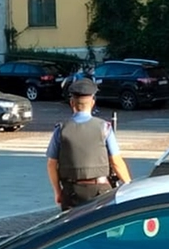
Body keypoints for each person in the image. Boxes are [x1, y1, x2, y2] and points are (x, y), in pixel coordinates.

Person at [47, 78, 131, 210]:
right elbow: (116, 162)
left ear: (71, 103)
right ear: (92, 103)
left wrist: (58, 191)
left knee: (72, 229)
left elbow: (51, 164)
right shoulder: (104, 128)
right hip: (100, 190)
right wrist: (128, 185)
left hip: (71, 191)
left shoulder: (61, 130)